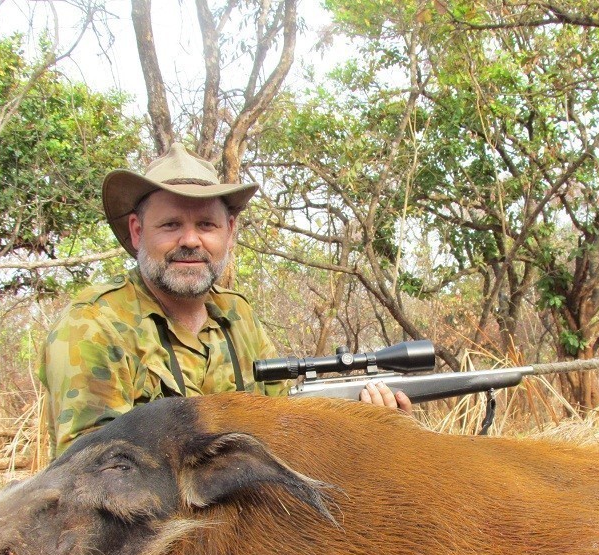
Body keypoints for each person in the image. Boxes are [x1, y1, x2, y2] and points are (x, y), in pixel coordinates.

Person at [40, 143, 409, 458]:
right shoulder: (92, 325)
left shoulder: (238, 314)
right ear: (138, 231)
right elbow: (89, 475)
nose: (189, 240)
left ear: (229, 232)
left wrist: (365, 422)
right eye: (170, 225)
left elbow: (287, 423)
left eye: (206, 225)